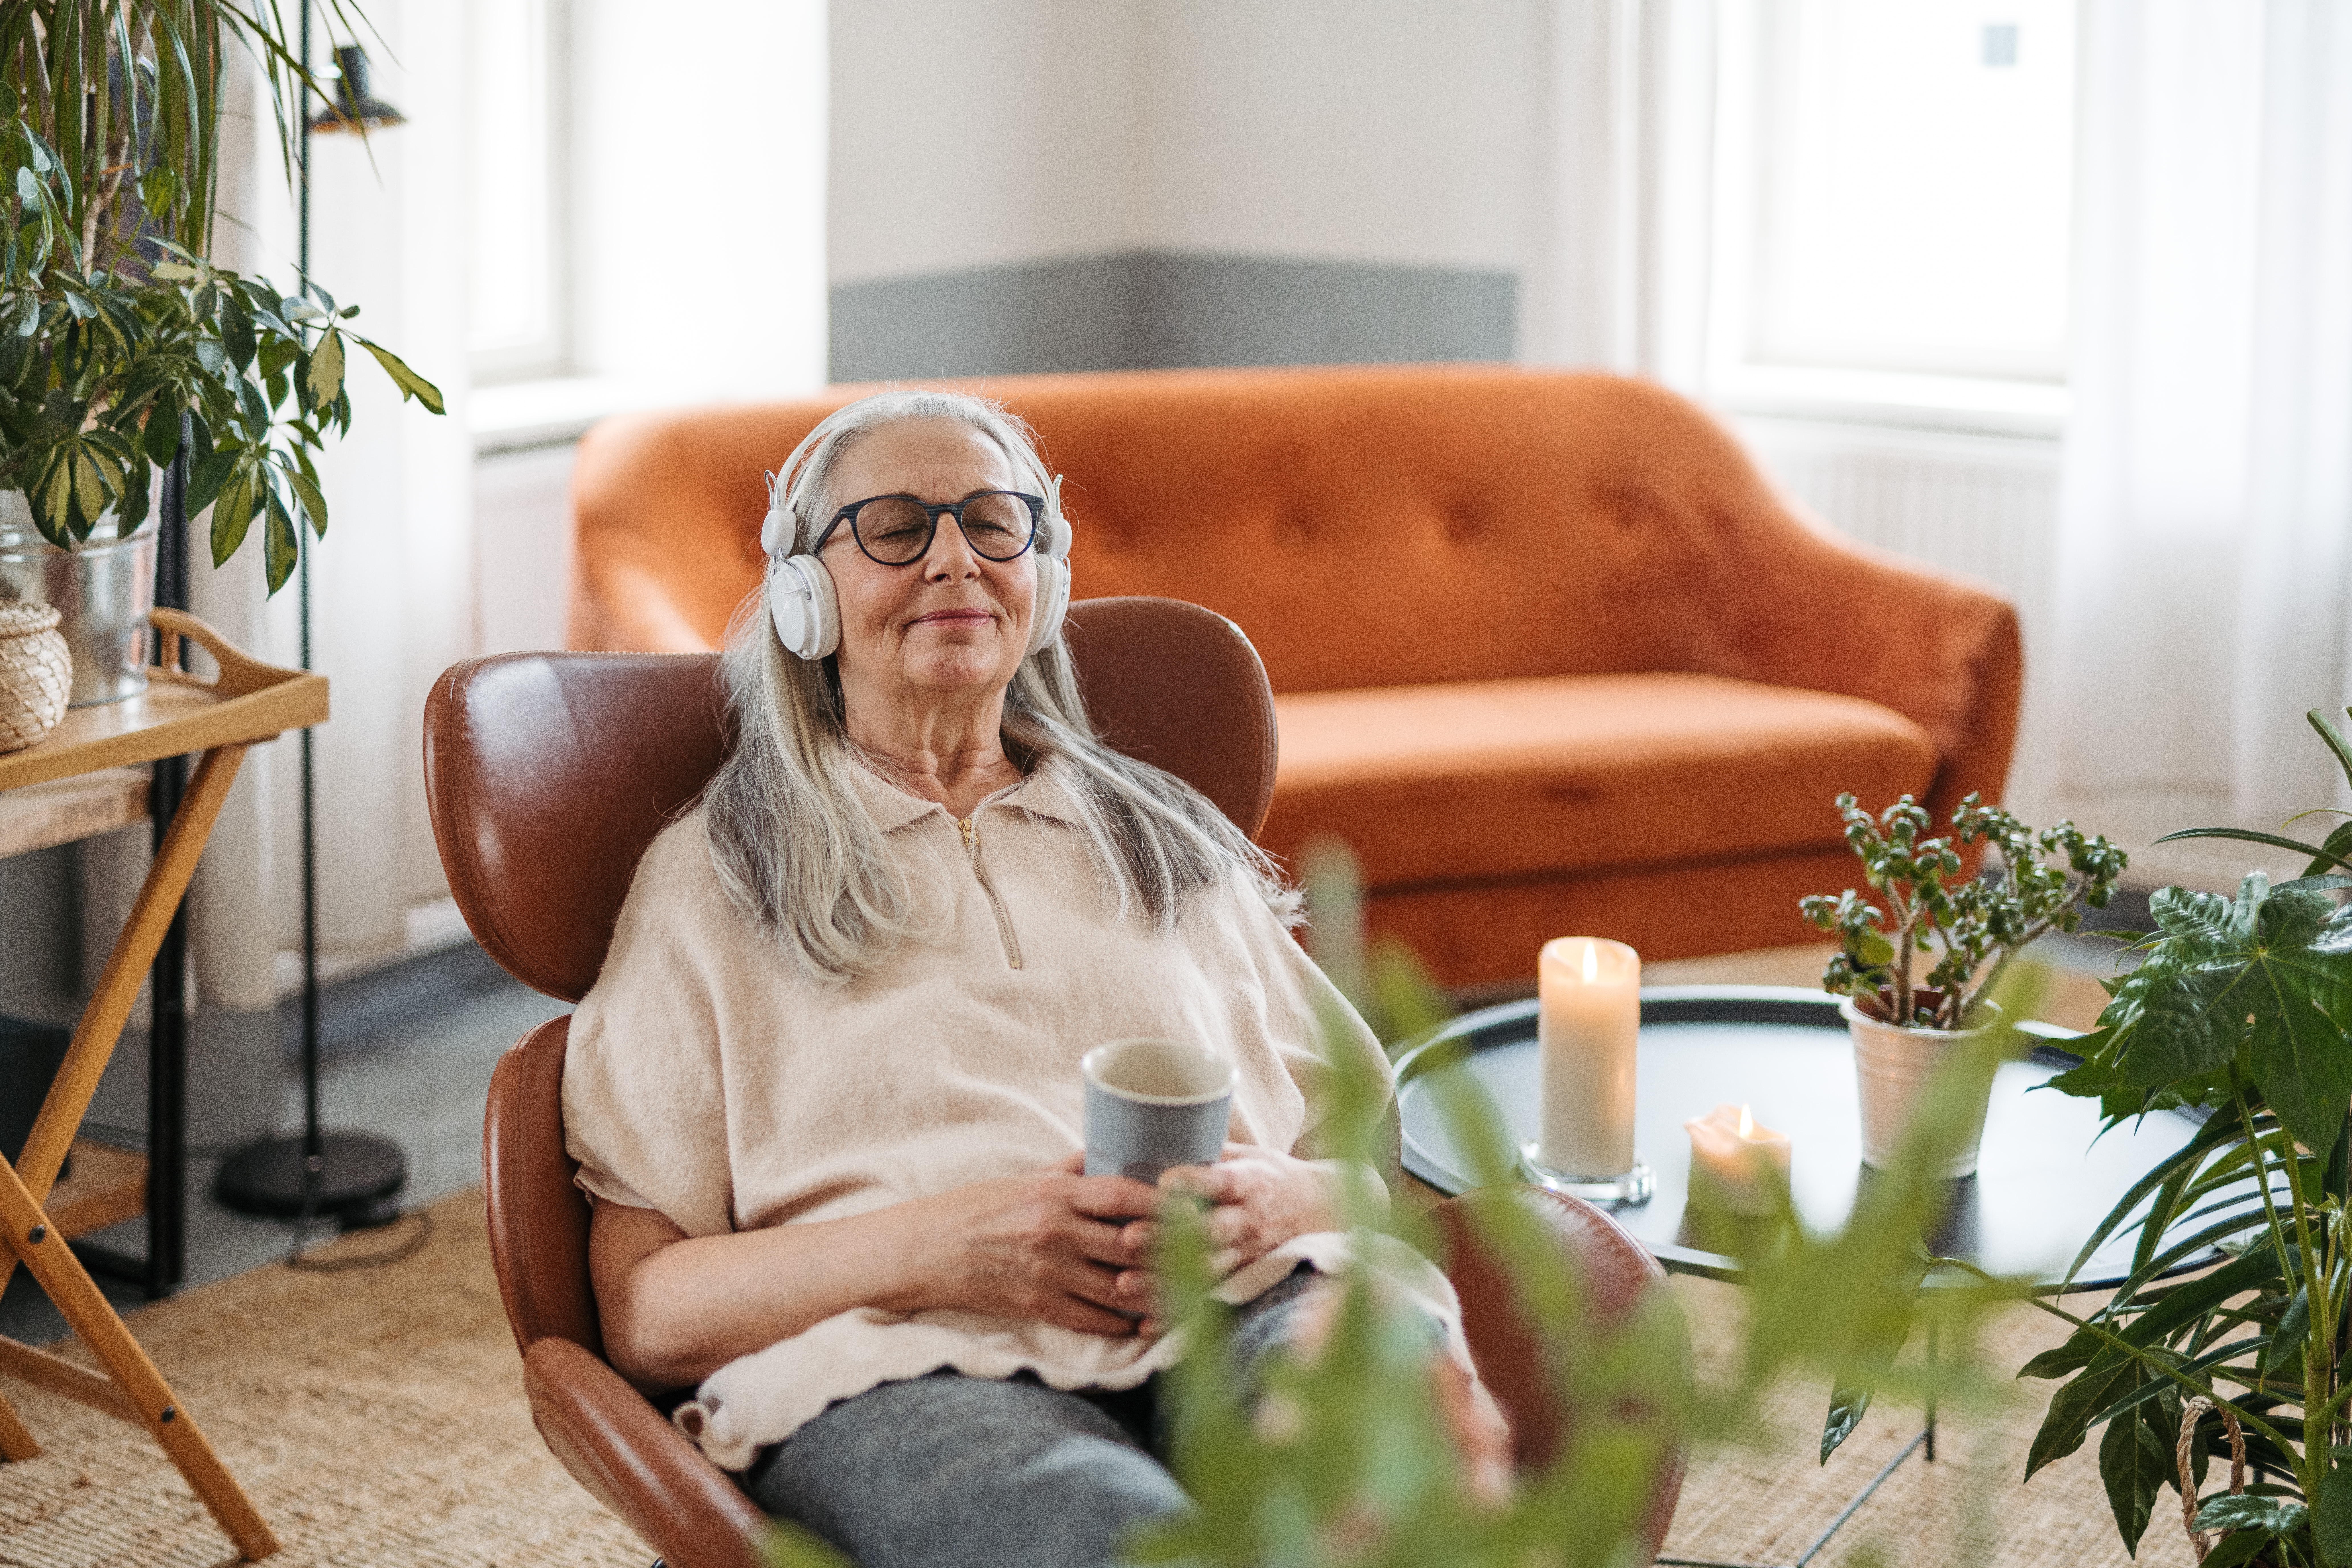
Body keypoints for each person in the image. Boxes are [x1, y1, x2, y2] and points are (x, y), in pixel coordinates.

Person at [561, 389, 1504, 1568]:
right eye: (897, 526)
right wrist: (946, 1244)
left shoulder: (1171, 840)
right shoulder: (713, 878)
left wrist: (1277, 1198)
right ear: (807, 597)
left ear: (1041, 577)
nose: (954, 556)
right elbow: (646, 1307)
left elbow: (1363, 1163)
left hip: (1260, 1296)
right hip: (896, 1355)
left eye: (994, 522)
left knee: (1393, 1489)